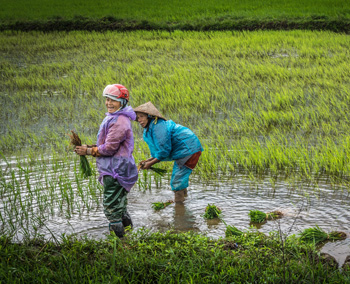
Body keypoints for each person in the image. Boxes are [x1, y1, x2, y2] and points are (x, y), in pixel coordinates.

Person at [75, 84, 138, 238]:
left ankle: (118, 242)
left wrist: (89, 151)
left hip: (115, 170)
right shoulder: (115, 117)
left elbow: (109, 148)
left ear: (122, 102)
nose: (109, 103)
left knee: (111, 207)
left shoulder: (119, 121)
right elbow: (107, 144)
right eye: (107, 99)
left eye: (113, 100)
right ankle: (129, 237)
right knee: (120, 205)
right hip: (119, 167)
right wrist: (89, 147)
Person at [134, 101, 202, 202]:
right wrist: (148, 160)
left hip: (188, 149)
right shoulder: (151, 127)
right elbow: (160, 150)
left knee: (177, 181)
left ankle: (179, 210)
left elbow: (164, 150)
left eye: (141, 117)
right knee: (180, 179)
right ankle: (184, 201)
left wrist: (150, 163)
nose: (139, 120)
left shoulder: (158, 126)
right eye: (137, 118)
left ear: (149, 116)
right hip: (186, 149)